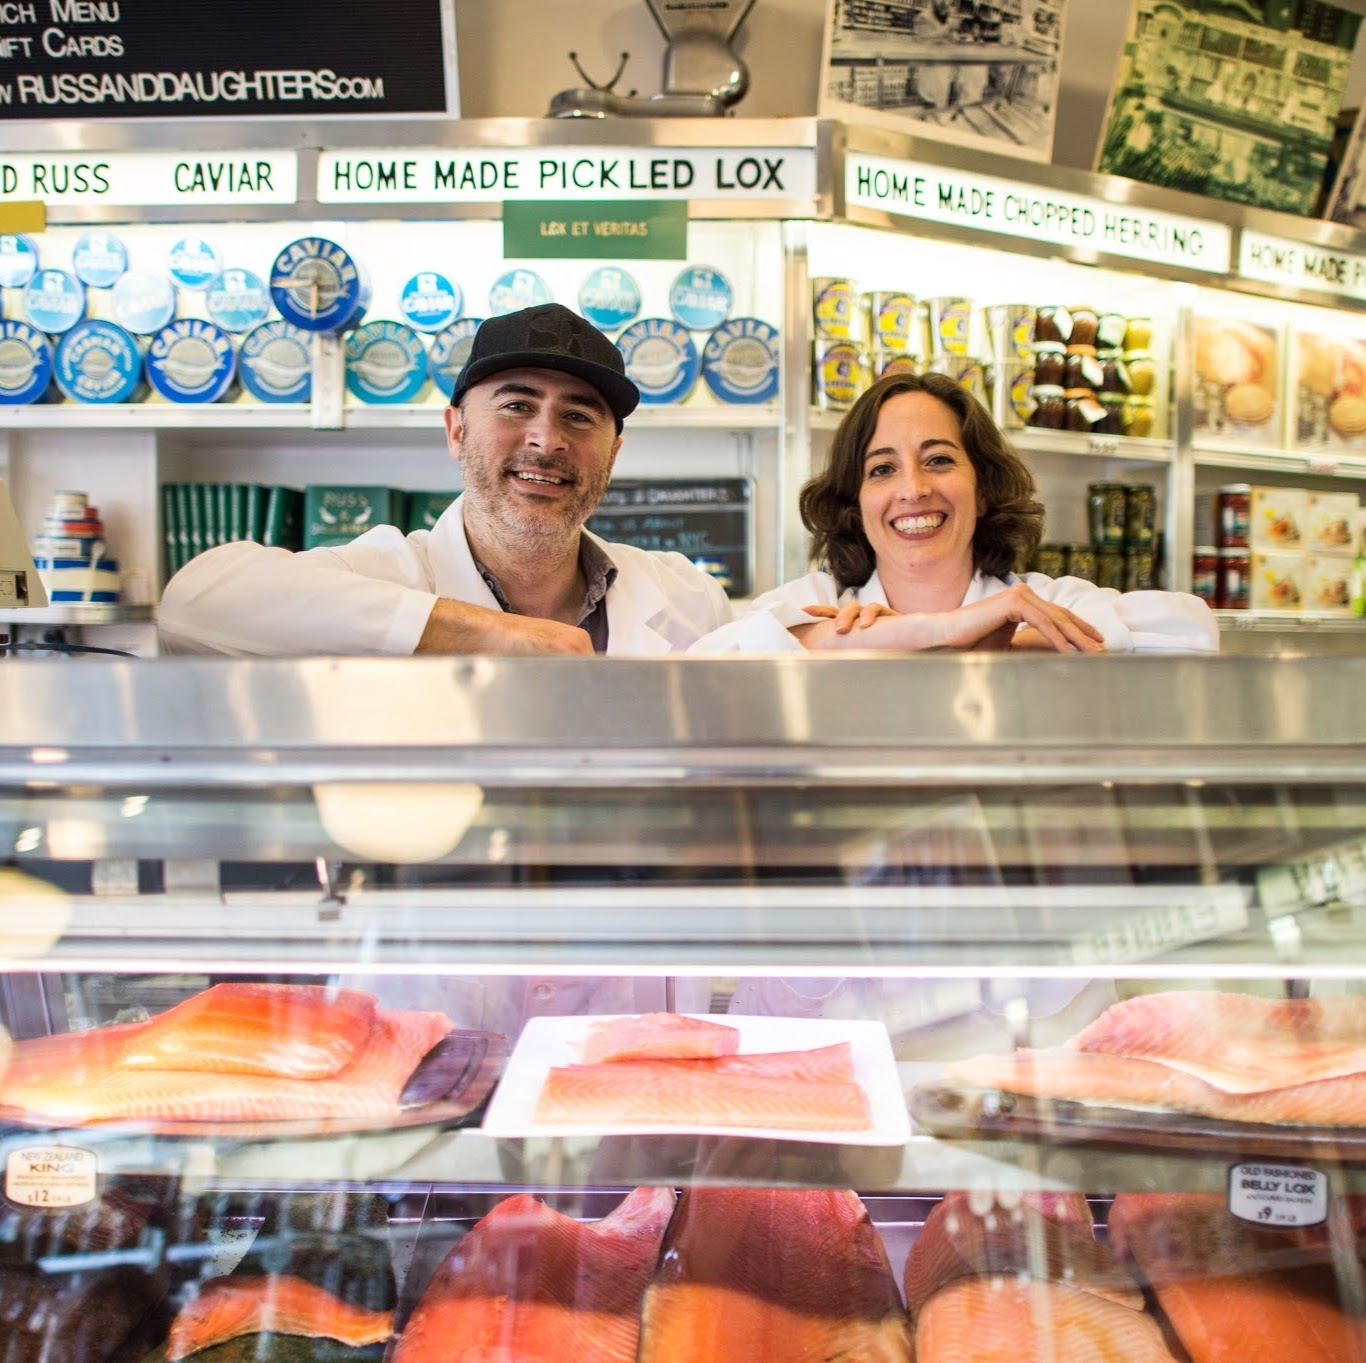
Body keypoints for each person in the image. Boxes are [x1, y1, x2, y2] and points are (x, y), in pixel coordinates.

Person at [158, 303, 732, 657]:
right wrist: (491, 633)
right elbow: (193, 604)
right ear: (456, 430)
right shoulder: (385, 570)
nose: (547, 439)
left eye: (579, 416)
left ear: (613, 454)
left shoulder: (687, 595)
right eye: (515, 406)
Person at [691, 370, 1218, 655]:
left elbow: (1190, 632)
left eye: (939, 460)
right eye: (881, 469)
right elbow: (713, 661)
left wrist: (1004, 639)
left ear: (984, 487)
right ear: (855, 503)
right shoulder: (819, 601)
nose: (913, 489)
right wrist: (941, 631)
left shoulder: (1043, 601)